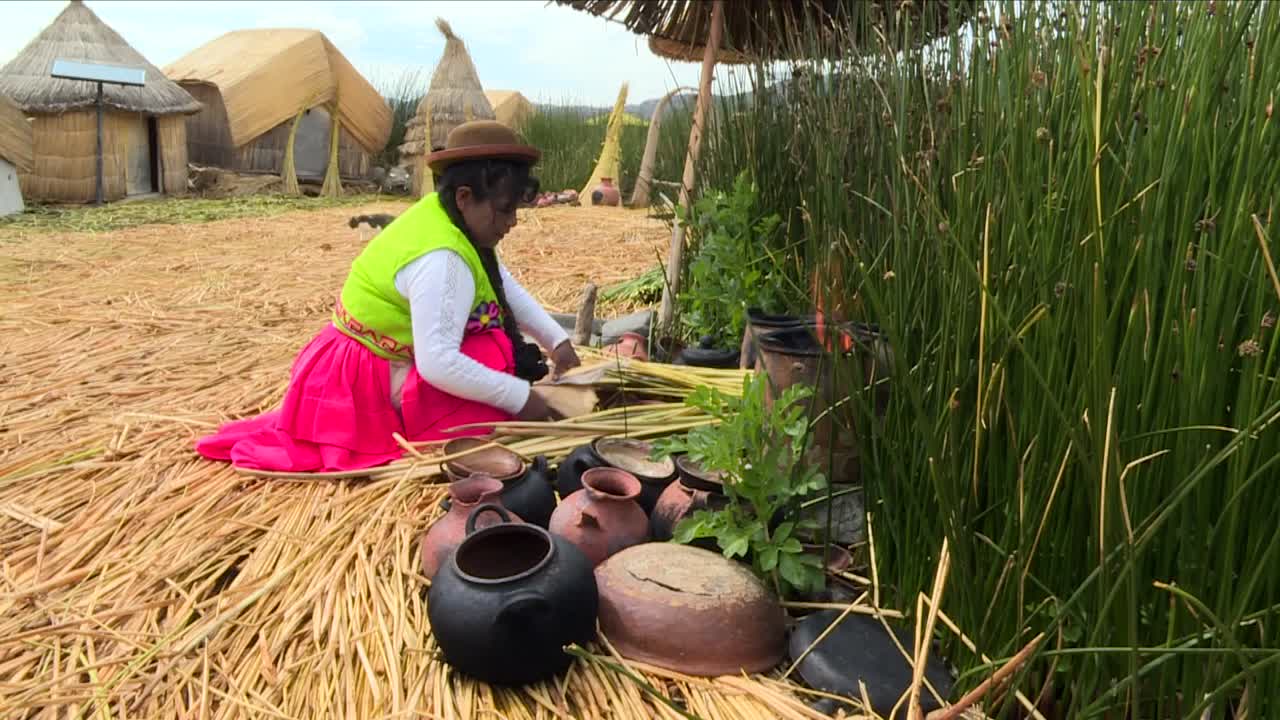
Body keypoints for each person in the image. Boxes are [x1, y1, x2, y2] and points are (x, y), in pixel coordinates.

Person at [196, 121, 580, 473]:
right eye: (504, 211)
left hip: (363, 354)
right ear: (465, 197)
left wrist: (557, 342)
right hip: (359, 376)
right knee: (490, 374)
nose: (511, 222)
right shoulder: (442, 259)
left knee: (494, 349)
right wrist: (521, 398)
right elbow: (439, 363)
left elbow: (501, 285)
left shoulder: (448, 216)